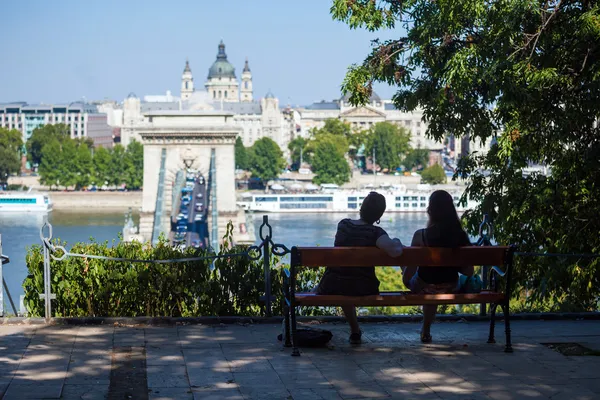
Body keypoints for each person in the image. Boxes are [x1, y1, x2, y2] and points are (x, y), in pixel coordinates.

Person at [315, 191, 405, 344]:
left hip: (333, 284)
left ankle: (355, 330)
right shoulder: (376, 232)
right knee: (351, 281)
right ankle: (355, 331)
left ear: (362, 208)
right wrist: (396, 240)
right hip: (363, 286)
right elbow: (395, 251)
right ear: (379, 216)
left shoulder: (343, 225)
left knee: (345, 280)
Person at [402, 190, 474, 343]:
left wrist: (406, 279)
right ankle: (425, 331)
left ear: (430, 211)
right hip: (451, 286)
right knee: (433, 284)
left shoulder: (420, 235)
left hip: (424, 287)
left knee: (422, 278)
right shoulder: (460, 236)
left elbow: (411, 270)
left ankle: (426, 330)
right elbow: (469, 271)